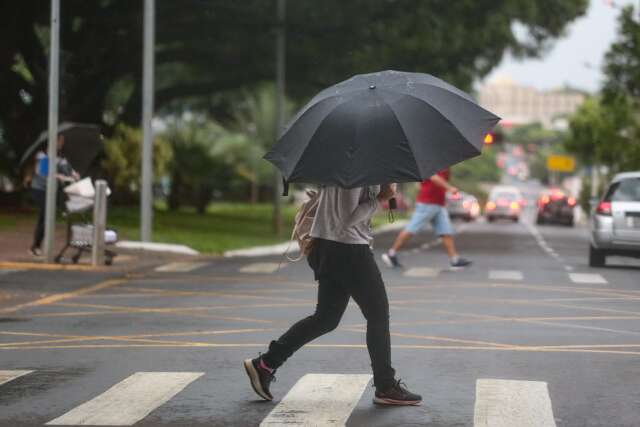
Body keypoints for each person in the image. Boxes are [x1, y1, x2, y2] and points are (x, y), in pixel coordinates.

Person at [244, 183, 422, 406]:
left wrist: (381, 190)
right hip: (348, 250)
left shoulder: (358, 164)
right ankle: (385, 386)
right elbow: (347, 218)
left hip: (334, 247)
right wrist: (381, 198)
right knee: (378, 314)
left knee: (326, 319)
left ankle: (265, 364)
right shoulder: (354, 170)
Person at [381, 169, 471, 269]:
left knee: (446, 231)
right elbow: (434, 178)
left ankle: (454, 259)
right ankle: (391, 253)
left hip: (438, 203)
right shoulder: (431, 161)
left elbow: (443, 179)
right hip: (427, 202)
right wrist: (449, 188)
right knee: (412, 228)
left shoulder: (443, 162)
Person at [29, 134, 79, 256]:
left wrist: (73, 174)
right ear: (53, 141)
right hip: (40, 190)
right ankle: (35, 246)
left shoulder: (60, 157)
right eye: (60, 140)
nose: (62, 143)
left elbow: (67, 168)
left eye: (62, 141)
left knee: (46, 217)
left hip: (51, 191)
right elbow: (43, 172)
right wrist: (59, 176)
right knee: (46, 215)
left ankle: (36, 246)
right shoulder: (43, 155)